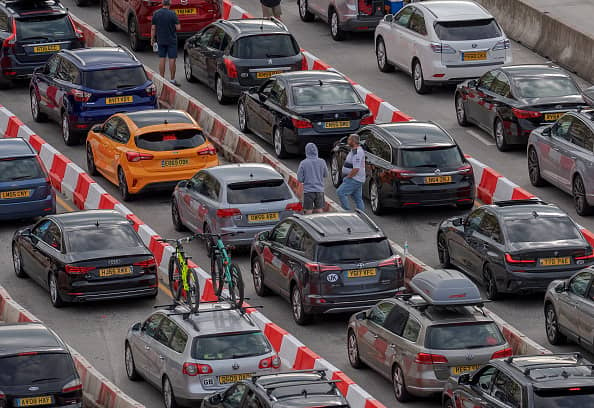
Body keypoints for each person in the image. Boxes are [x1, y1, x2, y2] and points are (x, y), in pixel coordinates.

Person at [151, 0, 180, 85]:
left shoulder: (156, 13)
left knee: (162, 58)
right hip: (172, 40)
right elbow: (178, 27)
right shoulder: (173, 14)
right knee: (172, 59)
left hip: (161, 39)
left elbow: (153, 28)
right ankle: (172, 79)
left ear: (162, 4)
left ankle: (162, 78)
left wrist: (152, 39)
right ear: (170, 4)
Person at [336, 134, 365, 211]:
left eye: (349, 139)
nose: (348, 141)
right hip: (356, 178)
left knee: (340, 192)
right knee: (358, 198)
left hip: (354, 178)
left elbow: (356, 169)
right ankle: (360, 217)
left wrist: (348, 177)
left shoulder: (357, 152)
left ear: (353, 141)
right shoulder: (354, 150)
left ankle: (347, 212)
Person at [297, 143, 328, 214]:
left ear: (306, 151)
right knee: (319, 210)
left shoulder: (303, 163)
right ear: (316, 151)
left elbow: (300, 179)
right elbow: (326, 174)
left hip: (308, 191)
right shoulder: (322, 161)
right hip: (319, 190)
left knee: (308, 210)